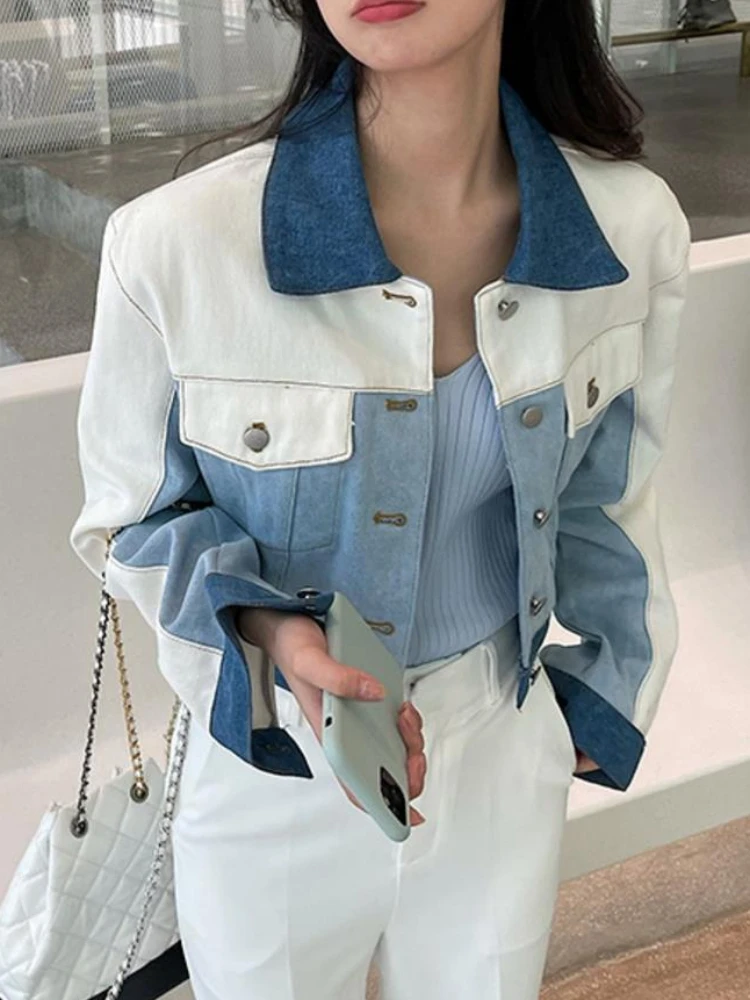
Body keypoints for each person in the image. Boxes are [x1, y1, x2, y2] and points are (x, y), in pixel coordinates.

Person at [69, 0, 691, 997]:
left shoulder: (629, 228)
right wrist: (276, 629)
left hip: (501, 745)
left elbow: (611, 496)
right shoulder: (177, 244)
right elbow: (131, 521)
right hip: (277, 757)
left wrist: (605, 696)